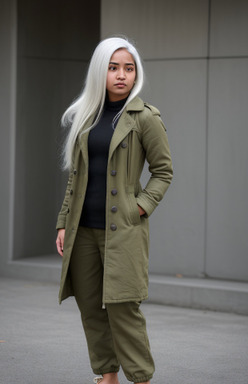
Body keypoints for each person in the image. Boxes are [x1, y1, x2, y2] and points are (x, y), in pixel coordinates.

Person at [56, 36, 173, 384]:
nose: (121, 74)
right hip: (83, 230)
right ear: (100, 71)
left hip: (122, 230)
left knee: (124, 309)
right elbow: (75, 177)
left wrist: (140, 207)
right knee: (91, 308)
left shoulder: (144, 117)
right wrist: (63, 221)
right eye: (113, 67)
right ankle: (107, 375)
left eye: (128, 68)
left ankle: (141, 378)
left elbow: (163, 171)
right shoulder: (85, 116)